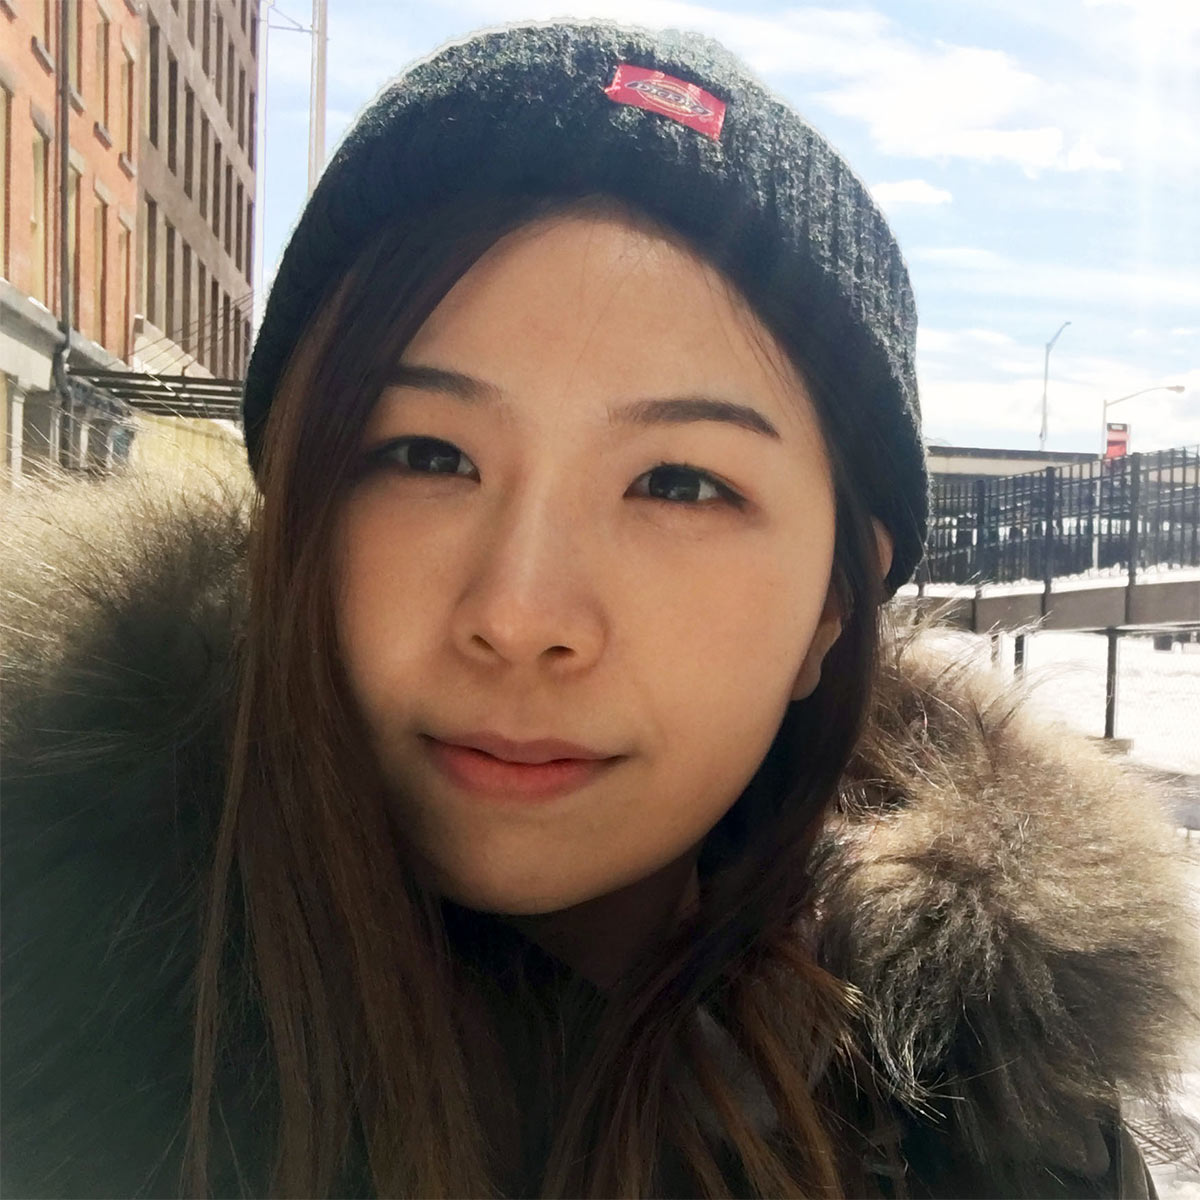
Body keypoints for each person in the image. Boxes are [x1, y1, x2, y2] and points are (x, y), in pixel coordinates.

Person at [2, 18, 1196, 1200]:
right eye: (425, 455)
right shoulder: (43, 995)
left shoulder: (1012, 1123)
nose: (521, 615)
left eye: (679, 483)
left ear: (833, 605)